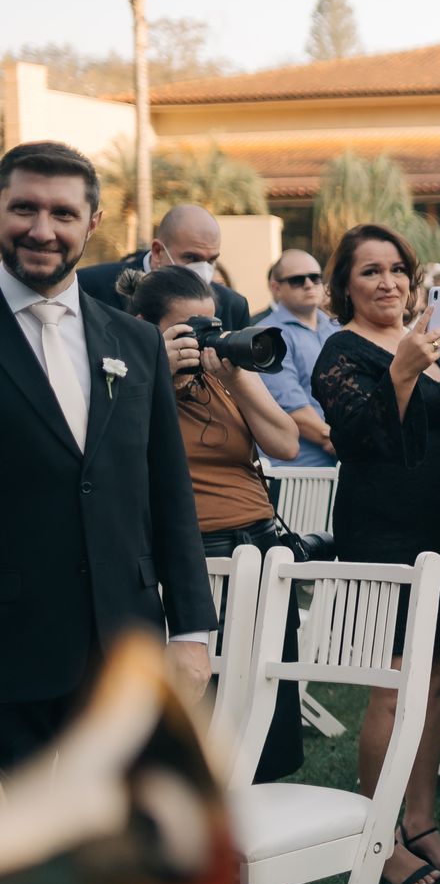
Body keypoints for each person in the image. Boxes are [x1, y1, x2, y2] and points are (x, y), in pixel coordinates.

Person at [0, 140, 216, 884]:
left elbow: (169, 494)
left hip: (119, 646)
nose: (42, 229)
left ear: (95, 224)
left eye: (62, 212)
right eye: (24, 208)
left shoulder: (129, 339)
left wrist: (193, 627)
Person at [310, 223, 440, 884]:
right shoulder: (339, 353)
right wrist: (403, 370)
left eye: (398, 270)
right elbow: (359, 440)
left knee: (434, 681)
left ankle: (421, 820)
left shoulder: (430, 343)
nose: (389, 282)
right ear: (345, 284)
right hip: (382, 531)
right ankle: (377, 841)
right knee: (392, 685)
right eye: (371, 271)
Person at [121, 265, 306, 785]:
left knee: (265, 698)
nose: (206, 339)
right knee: (204, 709)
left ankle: (259, 815)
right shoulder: (129, 382)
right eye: (189, 330)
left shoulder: (226, 379)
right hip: (195, 559)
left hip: (264, 551)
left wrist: (237, 374)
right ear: (145, 327)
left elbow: (286, 444)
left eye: (212, 326)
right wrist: (156, 374)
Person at [77, 202, 250, 330]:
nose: (202, 270)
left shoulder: (232, 306)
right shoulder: (90, 286)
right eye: (191, 257)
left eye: (211, 260)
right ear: (158, 251)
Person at [255, 249, 340, 467]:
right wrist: (340, 439)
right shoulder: (267, 335)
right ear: (276, 288)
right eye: (297, 280)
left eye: (315, 278)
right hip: (298, 474)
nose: (309, 284)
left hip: (344, 464)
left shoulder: (336, 329)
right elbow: (291, 408)